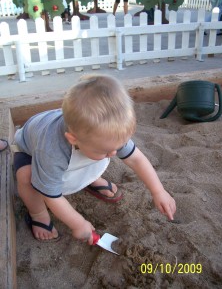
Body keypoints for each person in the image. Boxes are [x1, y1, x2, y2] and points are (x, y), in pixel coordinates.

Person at [14, 74, 176, 244]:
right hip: (29, 152)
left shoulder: (108, 134)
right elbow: (51, 195)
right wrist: (78, 223)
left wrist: (159, 191)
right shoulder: (51, 150)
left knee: (95, 154)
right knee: (25, 177)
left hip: (84, 147)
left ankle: (90, 179)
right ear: (73, 139)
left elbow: (136, 159)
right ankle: (38, 215)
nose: (114, 153)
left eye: (117, 146)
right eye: (107, 150)